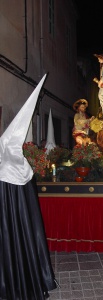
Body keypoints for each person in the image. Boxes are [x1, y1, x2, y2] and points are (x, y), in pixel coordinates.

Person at [0, 75, 58, 299]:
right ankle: (29, 281)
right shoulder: (19, 162)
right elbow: (27, 181)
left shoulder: (5, 159)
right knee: (24, 245)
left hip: (7, 219)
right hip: (22, 220)